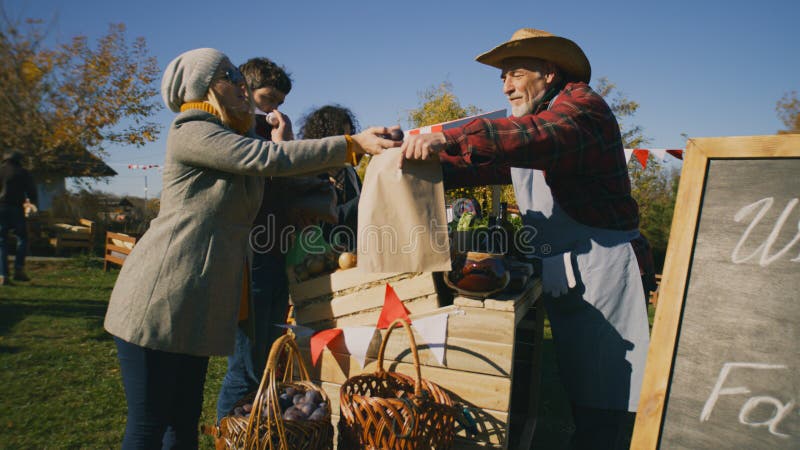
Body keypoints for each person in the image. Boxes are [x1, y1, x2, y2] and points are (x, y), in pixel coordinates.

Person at [103, 47, 400, 449]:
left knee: (184, 421)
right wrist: (350, 143)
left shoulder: (232, 136)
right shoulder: (193, 129)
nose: (241, 83)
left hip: (194, 302)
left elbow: (278, 177)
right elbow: (265, 159)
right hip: (157, 298)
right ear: (205, 85)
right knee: (149, 424)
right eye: (229, 74)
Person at [401, 29, 651, 449]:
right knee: (582, 389)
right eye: (502, 77)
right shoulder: (540, 122)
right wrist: (419, 161)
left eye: (515, 73)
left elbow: (531, 136)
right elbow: (486, 163)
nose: (506, 86)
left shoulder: (580, 111)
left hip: (607, 272)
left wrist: (450, 136)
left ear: (549, 72)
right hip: (572, 270)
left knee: (605, 406)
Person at [216, 56, 303, 423]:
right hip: (247, 260)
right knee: (247, 363)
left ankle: (253, 432)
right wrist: (282, 150)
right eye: (268, 99)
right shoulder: (232, 133)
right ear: (245, 92)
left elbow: (285, 187)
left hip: (275, 254)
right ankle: (227, 433)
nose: (273, 109)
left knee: (268, 354)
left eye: (280, 103)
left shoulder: (274, 133)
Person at [298, 104, 363, 251]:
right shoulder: (309, 176)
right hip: (322, 256)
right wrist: (365, 199)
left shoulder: (349, 172)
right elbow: (323, 221)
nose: (348, 145)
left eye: (349, 138)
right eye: (343, 140)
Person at [0, 150, 38, 286]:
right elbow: (32, 192)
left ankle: (3, 275)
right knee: (22, 238)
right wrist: (31, 203)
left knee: (1, 241)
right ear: (18, 160)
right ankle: (19, 269)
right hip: (16, 208)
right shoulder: (23, 172)